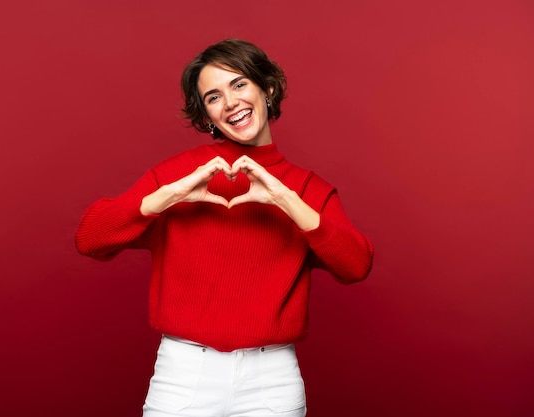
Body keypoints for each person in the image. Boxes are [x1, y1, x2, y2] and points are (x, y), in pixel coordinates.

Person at [75, 38, 374, 417]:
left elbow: (356, 264)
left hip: (272, 379)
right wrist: (162, 198)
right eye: (213, 97)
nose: (230, 102)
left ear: (267, 88)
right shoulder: (178, 177)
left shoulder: (305, 189)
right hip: (184, 372)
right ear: (205, 116)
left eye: (239, 84)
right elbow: (90, 239)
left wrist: (286, 200)